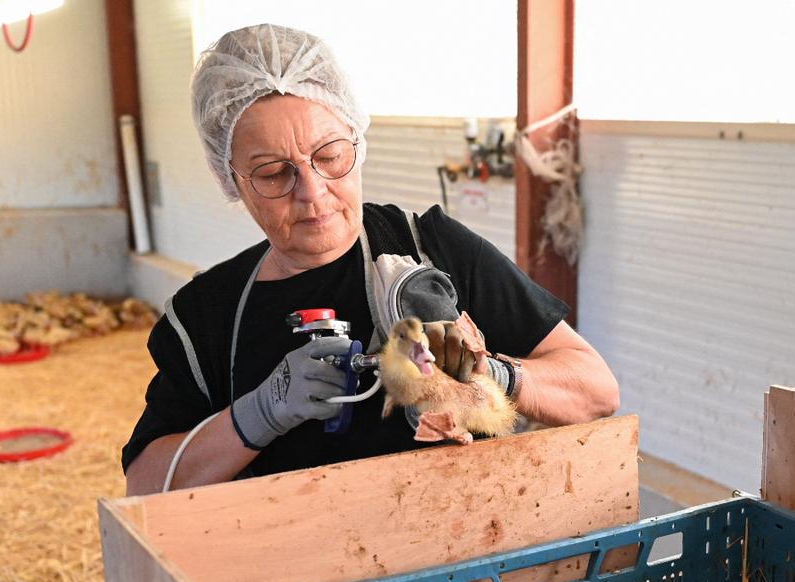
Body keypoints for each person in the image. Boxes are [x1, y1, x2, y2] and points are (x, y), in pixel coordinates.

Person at [122, 24, 618, 496]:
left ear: (357, 141)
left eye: (331, 155)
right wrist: (259, 414)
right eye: (273, 173)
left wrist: (494, 373)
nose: (312, 193)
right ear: (231, 180)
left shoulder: (433, 248)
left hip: (464, 549)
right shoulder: (205, 316)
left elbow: (595, 391)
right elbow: (146, 486)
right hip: (298, 569)